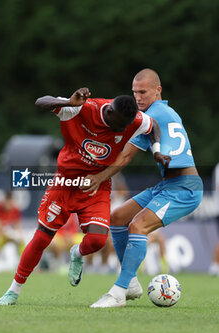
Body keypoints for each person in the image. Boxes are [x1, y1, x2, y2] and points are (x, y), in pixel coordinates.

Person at [0, 87, 169, 305]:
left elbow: (155, 127)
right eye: (119, 125)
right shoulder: (81, 108)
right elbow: (40, 101)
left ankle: (77, 253)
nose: (123, 130)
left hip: (97, 186)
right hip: (65, 183)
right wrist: (68, 102)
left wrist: (157, 150)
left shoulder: (132, 119)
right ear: (110, 112)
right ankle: (13, 291)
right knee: (42, 238)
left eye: (126, 126)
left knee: (97, 241)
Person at [82, 69, 203, 308]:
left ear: (158, 90)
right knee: (117, 218)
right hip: (168, 184)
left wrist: (99, 177)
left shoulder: (152, 115)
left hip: (185, 189)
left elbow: (126, 156)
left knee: (138, 225)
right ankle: (132, 283)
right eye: (134, 92)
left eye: (143, 92)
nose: (137, 97)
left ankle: (118, 292)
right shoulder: (161, 112)